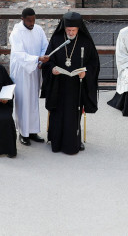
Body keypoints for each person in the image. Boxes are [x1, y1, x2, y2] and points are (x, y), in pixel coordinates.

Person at [42, 11, 100, 154]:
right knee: (58, 112)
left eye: (74, 30)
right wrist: (52, 69)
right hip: (58, 84)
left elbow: (94, 63)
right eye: (68, 30)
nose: (71, 32)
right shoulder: (56, 39)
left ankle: (73, 142)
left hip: (76, 86)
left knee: (73, 114)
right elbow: (47, 60)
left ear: (78, 28)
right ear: (64, 28)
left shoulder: (85, 41)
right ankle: (56, 141)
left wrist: (85, 73)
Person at [9, 7, 49, 146]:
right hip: (22, 71)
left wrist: (41, 61)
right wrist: (37, 58)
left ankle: (32, 131)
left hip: (35, 69)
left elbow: (45, 46)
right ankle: (23, 133)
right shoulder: (16, 33)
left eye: (33, 20)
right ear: (22, 19)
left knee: (33, 100)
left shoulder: (38, 30)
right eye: (29, 21)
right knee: (23, 101)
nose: (32, 23)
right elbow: (19, 54)